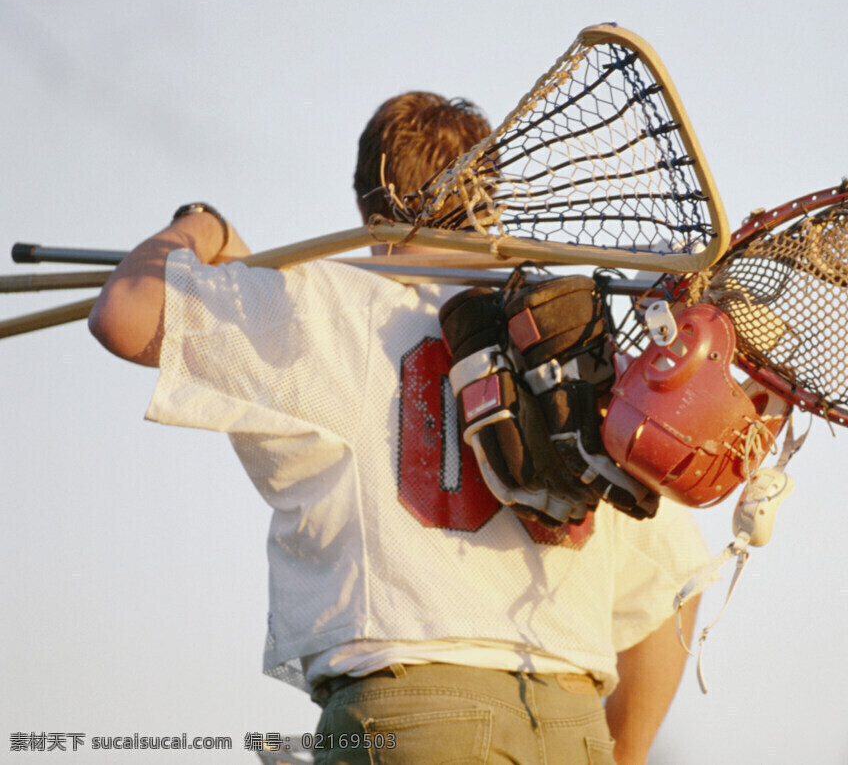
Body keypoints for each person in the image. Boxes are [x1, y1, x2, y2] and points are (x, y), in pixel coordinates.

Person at [88, 91, 710, 765]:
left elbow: (126, 315)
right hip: (567, 721)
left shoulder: (318, 308)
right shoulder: (582, 347)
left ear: (366, 212)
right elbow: (676, 575)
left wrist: (202, 225)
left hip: (413, 718)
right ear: (492, 203)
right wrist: (627, 753)